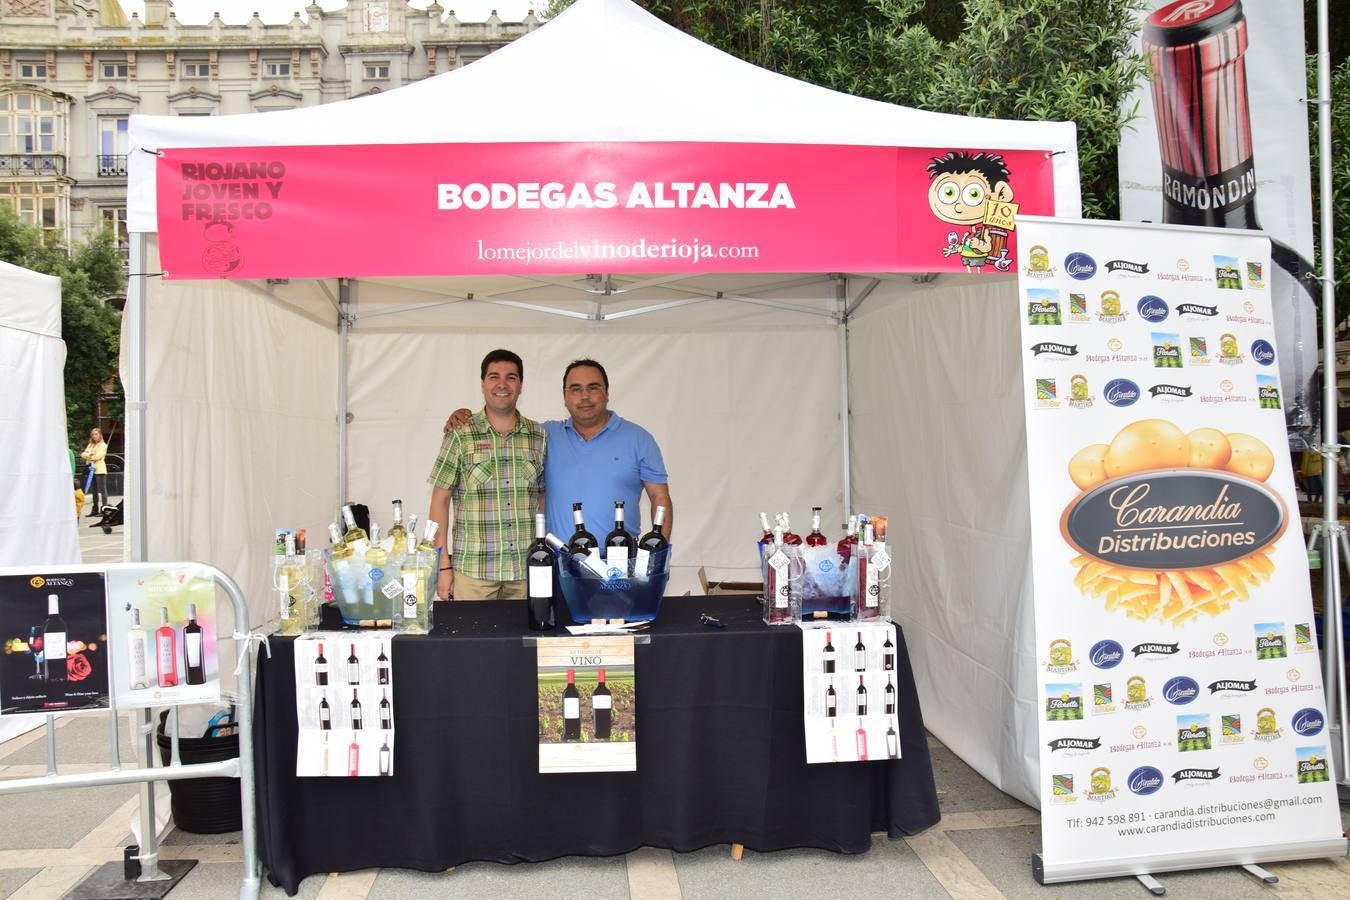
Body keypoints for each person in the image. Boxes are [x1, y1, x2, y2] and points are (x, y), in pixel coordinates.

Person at [445, 358, 673, 544]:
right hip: (560, 563)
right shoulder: (544, 436)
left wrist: (658, 551)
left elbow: (659, 497)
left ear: (607, 392)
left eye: (593, 388)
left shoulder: (639, 438)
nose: (584, 396)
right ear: (564, 397)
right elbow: (503, 425)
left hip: (619, 560)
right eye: (575, 389)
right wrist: (463, 415)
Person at [427, 350, 547, 601]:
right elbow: (440, 500)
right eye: (494, 377)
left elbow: (542, 498)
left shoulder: (540, 436)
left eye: (511, 377)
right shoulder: (460, 434)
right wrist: (442, 565)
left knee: (525, 640)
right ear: (482, 384)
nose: (502, 384)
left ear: (521, 385)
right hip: (473, 573)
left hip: (526, 573)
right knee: (473, 641)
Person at [80, 428, 108, 517]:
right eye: (93, 434)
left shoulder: (103, 445)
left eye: (96, 434)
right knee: (94, 490)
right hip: (91, 469)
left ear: (100, 435)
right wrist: (89, 455)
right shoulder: (91, 444)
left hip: (99, 469)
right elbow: (83, 454)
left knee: (102, 490)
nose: (94, 436)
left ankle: (104, 510)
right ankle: (95, 509)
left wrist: (89, 455)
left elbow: (98, 456)